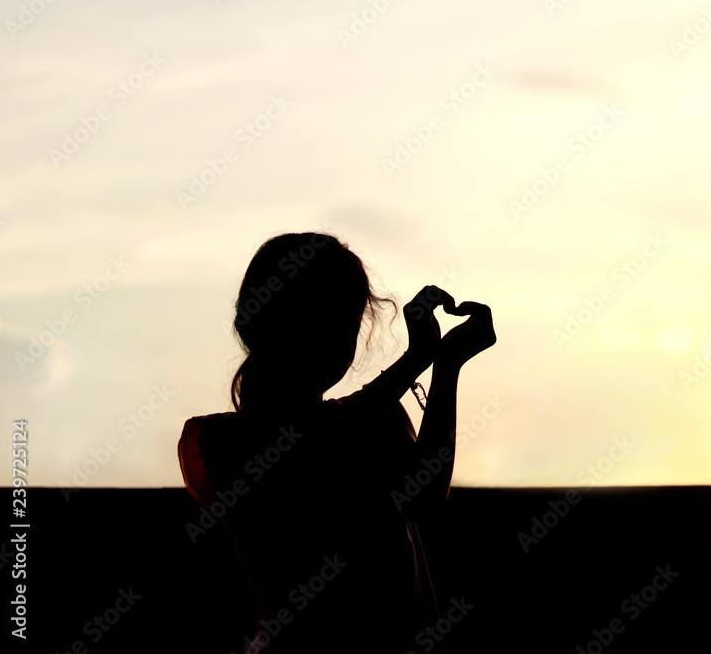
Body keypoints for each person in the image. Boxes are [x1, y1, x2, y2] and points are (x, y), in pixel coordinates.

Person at [177, 232, 496, 652]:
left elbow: (424, 500)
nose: (337, 338)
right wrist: (417, 360)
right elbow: (311, 442)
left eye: (346, 321)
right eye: (321, 316)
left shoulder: (374, 418)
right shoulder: (220, 442)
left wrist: (446, 366)